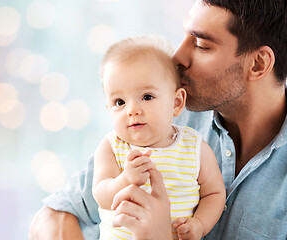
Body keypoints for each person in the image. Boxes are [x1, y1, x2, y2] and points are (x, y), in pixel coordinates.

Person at [29, 0, 287, 239]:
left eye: (201, 45)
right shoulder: (160, 118)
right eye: (184, 36)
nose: (177, 57)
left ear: (258, 63)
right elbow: (52, 218)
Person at [93, 35, 225, 240]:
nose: (132, 110)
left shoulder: (194, 147)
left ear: (176, 102)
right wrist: (125, 180)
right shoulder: (112, 147)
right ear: (108, 109)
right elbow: (101, 195)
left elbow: (214, 194)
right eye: (119, 102)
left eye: (147, 97)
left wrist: (200, 224)